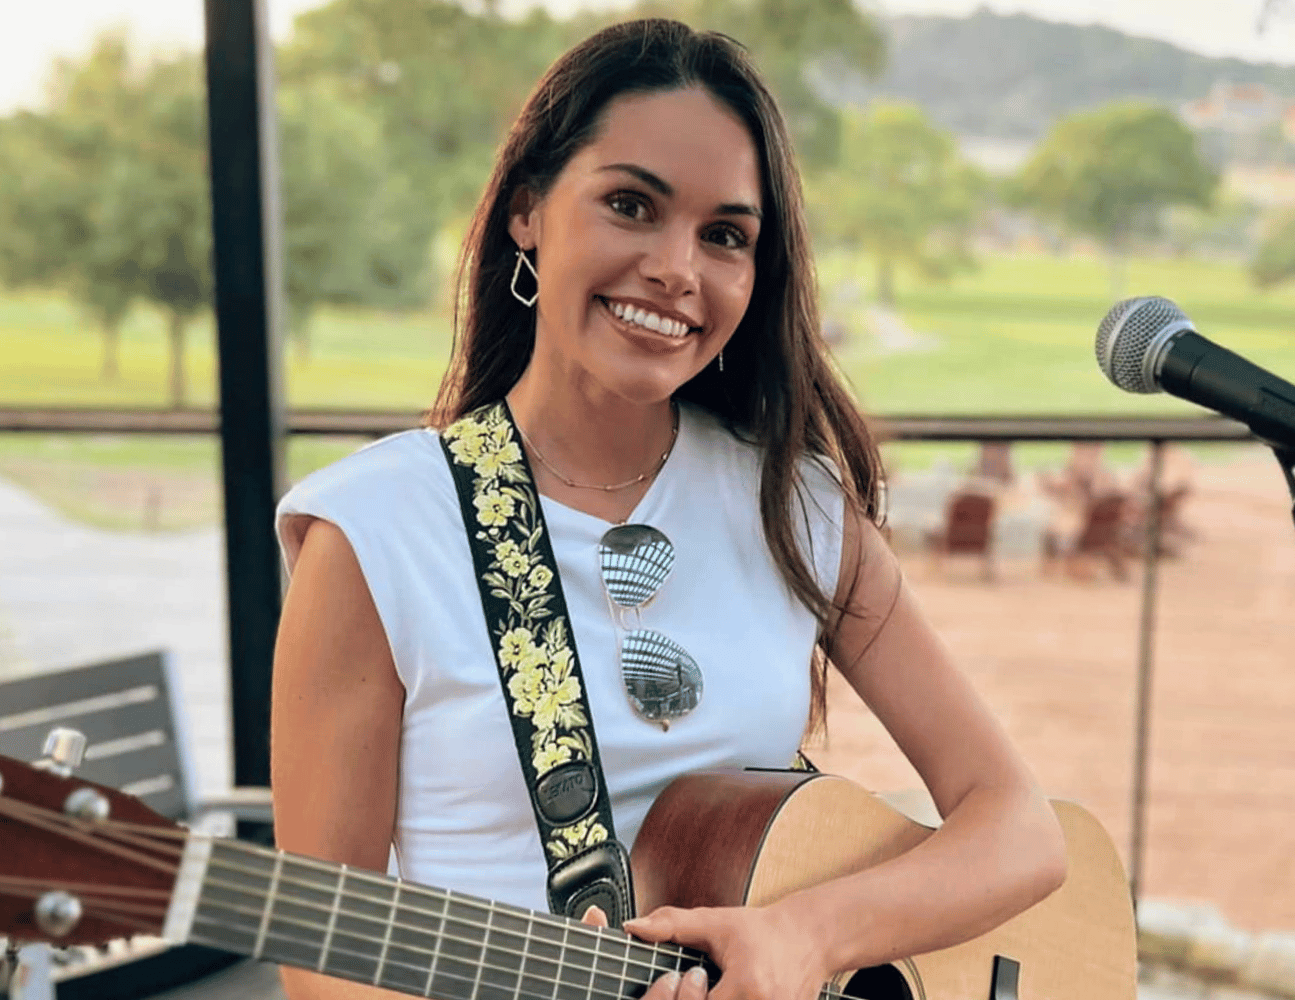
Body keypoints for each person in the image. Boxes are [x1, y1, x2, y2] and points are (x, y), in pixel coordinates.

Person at [270, 18, 1066, 1000]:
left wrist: (803, 937)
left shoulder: (796, 503)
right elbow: (320, 966)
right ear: (527, 211)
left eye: (723, 235)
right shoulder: (377, 530)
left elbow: (1018, 826)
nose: (677, 269)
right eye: (630, 205)